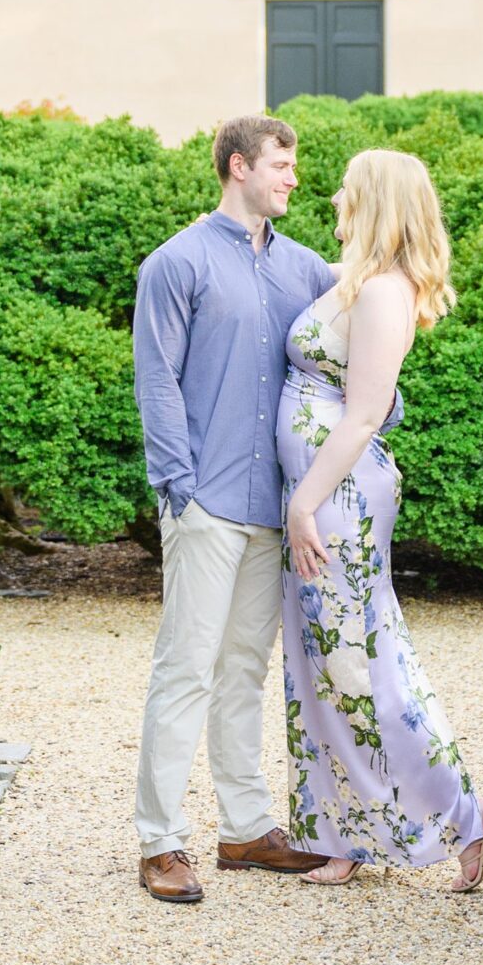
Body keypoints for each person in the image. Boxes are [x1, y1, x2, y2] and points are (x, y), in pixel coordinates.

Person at [278, 148, 483, 891]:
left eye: (346, 190)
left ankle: (464, 815)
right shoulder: (357, 281)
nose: (334, 200)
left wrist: (303, 503)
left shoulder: (384, 293)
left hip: (335, 498)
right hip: (324, 495)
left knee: (361, 665)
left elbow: (364, 415)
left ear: (373, 200)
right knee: (326, 667)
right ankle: (348, 830)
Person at [131, 112, 342, 903]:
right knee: (184, 666)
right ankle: (158, 842)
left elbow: (354, 347)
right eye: (280, 165)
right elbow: (156, 381)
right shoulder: (174, 263)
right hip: (205, 499)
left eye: (293, 165)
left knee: (245, 668)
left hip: (275, 503)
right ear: (236, 167)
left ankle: (246, 830)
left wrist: (375, 417)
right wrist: (177, 486)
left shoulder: (307, 270)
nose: (292, 178)